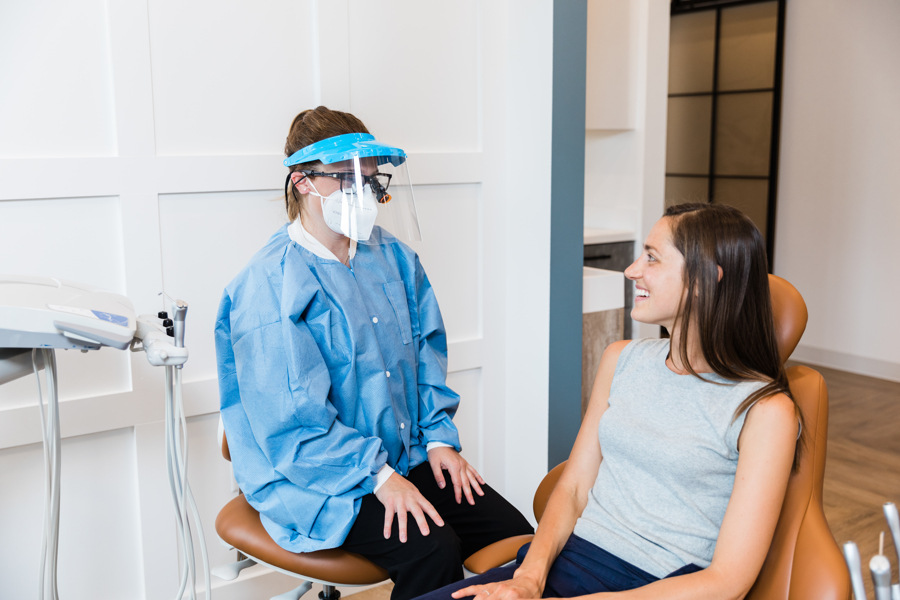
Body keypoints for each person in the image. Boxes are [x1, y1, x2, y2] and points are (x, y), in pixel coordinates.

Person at [214, 106, 533, 600]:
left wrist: (440, 441)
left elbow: (427, 356)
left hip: (404, 452)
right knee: (433, 549)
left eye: (369, 179)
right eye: (345, 178)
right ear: (303, 182)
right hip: (317, 472)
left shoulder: (394, 258)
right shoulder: (269, 286)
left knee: (517, 539)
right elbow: (294, 423)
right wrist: (380, 478)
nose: (362, 193)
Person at [416, 203, 802, 600]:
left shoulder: (765, 411)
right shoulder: (622, 360)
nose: (632, 270)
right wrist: (528, 577)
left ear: (705, 280)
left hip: (658, 588)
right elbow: (573, 489)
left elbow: (728, 583)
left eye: (652, 258)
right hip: (569, 561)